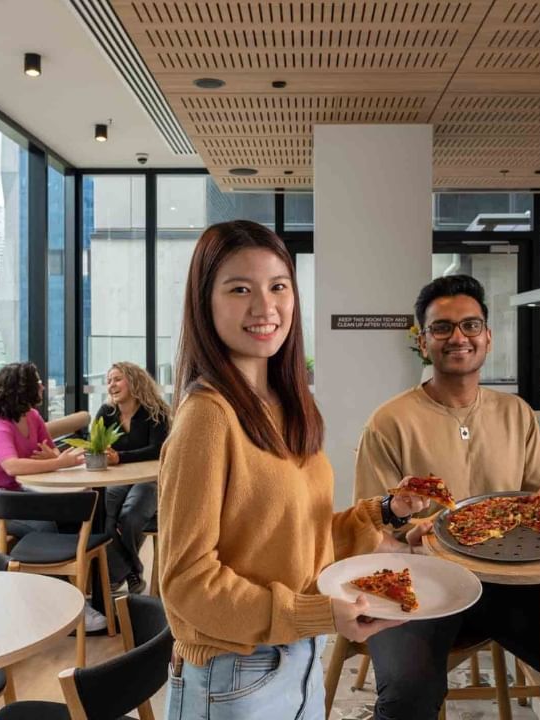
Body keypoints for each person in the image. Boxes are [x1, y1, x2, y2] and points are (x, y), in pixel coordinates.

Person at [159, 220, 428, 720]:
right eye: (240, 289)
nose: (265, 307)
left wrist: (384, 513)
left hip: (296, 656)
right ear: (204, 302)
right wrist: (318, 613)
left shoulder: (284, 404)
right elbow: (186, 583)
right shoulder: (207, 417)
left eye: (278, 287)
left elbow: (297, 538)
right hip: (232, 673)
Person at [354, 274, 540, 720]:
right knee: (407, 697)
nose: (458, 337)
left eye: (471, 326)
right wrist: (412, 531)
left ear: (488, 337)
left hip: (506, 582)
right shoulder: (390, 421)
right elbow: (367, 526)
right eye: (442, 327)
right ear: (422, 340)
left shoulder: (515, 413)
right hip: (417, 585)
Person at [0, 361, 84, 535]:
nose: (42, 387)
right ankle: (44, 562)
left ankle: (80, 561)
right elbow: (12, 466)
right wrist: (58, 462)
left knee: (73, 509)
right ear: (23, 389)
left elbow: (53, 451)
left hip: (11, 493)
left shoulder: (32, 416)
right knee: (42, 527)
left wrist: (55, 458)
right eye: (38, 383)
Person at [80, 361, 170, 596]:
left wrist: (121, 457)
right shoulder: (106, 413)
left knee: (130, 515)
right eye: (109, 381)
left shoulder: (155, 411)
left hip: (150, 479)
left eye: (117, 379)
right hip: (117, 479)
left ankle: (117, 574)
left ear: (134, 380)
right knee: (105, 517)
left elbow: (158, 449)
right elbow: (96, 446)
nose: (111, 385)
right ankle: (134, 570)